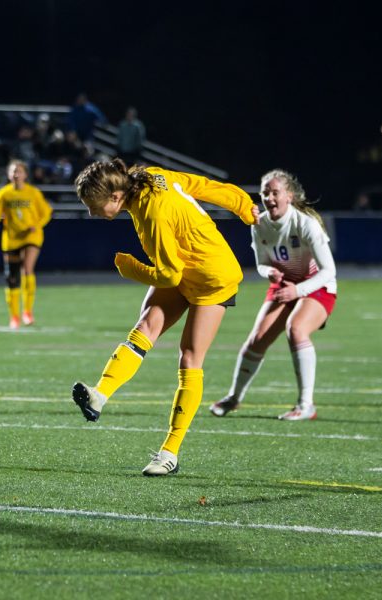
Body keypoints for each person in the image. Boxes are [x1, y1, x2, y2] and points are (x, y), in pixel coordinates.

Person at [71, 159, 258, 476]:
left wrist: (131, 268)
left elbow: (168, 275)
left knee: (189, 357)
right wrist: (242, 204)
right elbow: (201, 184)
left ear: (116, 196)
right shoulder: (148, 177)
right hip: (182, 267)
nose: (91, 213)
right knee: (144, 327)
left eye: (94, 205)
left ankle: (169, 452)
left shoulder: (153, 211)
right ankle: (98, 396)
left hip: (212, 277)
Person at [210, 169, 337, 421]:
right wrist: (269, 272)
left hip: (317, 285)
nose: (269, 198)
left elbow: (329, 270)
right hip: (285, 285)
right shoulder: (259, 225)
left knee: (296, 329)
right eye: (265, 193)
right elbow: (261, 263)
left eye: (274, 192)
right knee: (257, 339)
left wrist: (298, 291)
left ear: (288, 196)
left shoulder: (306, 224)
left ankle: (306, 405)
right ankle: (233, 398)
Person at [0, 160, 53, 329]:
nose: (16, 174)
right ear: (8, 174)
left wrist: (38, 225)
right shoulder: (4, 194)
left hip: (31, 236)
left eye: (19, 171)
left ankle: (27, 311)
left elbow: (47, 212)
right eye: (13, 171)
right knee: (11, 278)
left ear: (26, 174)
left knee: (27, 268)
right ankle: (14, 316)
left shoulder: (33, 193)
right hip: (11, 238)